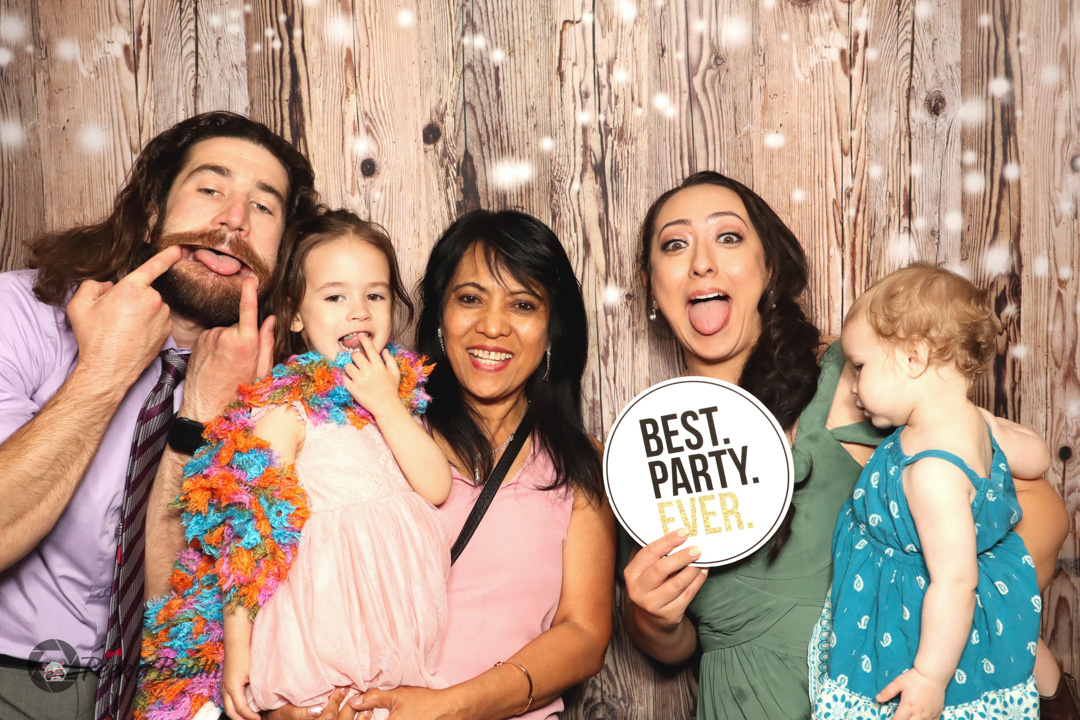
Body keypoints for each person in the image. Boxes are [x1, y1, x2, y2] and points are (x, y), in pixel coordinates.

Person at [620, 171, 1071, 720]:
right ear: (652, 285)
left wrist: (939, 622)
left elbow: (1038, 507)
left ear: (770, 268)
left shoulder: (860, 377)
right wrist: (652, 618)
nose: (702, 263)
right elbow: (679, 648)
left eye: (728, 236)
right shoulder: (646, 448)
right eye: (674, 245)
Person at [0, 111, 318, 720]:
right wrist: (105, 369)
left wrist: (206, 420)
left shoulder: (289, 386)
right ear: (151, 215)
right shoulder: (20, 312)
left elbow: (227, 593)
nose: (234, 219)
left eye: (264, 207)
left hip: (180, 691)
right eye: (210, 188)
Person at [257, 209, 612, 720]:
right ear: (439, 317)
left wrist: (450, 707)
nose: (492, 326)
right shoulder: (371, 430)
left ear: (553, 327)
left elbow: (584, 635)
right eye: (469, 299)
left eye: (523, 304)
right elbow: (272, 568)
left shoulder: (581, 463)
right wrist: (286, 708)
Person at [135, 210, 452, 720]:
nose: (359, 312)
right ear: (297, 315)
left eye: (375, 295)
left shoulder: (398, 400)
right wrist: (238, 649)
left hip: (398, 639)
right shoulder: (286, 412)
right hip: (320, 635)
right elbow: (248, 535)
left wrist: (387, 403)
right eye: (334, 297)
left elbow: (436, 487)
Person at [808, 263, 1047, 718]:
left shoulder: (931, 472)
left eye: (859, 367)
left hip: (910, 626)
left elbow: (955, 580)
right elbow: (1036, 458)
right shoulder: (977, 421)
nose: (852, 386)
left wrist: (930, 676)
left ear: (914, 358)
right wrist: (996, 434)